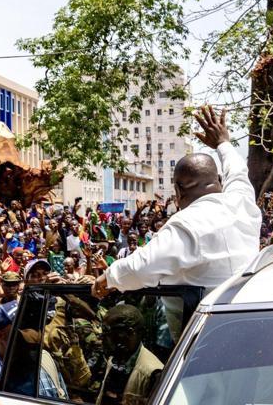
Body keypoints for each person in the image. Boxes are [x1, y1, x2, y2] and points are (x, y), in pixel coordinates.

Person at [92, 106, 261, 297]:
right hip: (250, 311)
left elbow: (141, 267)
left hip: (203, 323)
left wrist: (108, 277)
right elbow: (237, 172)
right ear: (220, 181)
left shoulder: (186, 224)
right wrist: (223, 143)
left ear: (178, 191)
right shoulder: (242, 203)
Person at [96, 304, 164, 405]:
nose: (102, 339)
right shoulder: (115, 359)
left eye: (108, 333)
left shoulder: (153, 373)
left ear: (129, 333)